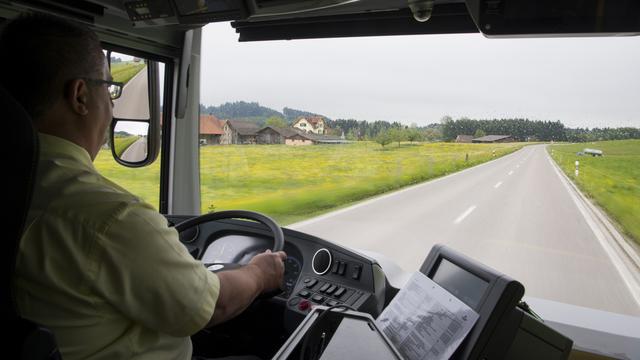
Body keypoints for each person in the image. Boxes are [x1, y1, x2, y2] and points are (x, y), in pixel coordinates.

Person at [1, 13, 286, 360]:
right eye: (109, 88)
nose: (111, 106)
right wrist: (259, 272)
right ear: (80, 96)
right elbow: (216, 305)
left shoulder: (18, 187)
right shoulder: (109, 217)